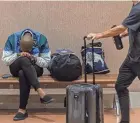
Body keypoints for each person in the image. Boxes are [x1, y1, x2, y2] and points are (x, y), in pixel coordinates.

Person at [86, 1, 140, 123]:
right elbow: (133, 26)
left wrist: (99, 35)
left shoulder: (139, 8)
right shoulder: (135, 6)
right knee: (120, 86)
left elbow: (121, 27)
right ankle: (124, 121)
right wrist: (123, 34)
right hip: (132, 58)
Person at [1, 28, 54, 121]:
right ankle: (40, 91)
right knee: (23, 59)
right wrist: (19, 55)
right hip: (16, 66)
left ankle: (22, 110)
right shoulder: (12, 38)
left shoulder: (41, 39)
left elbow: (46, 62)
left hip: (35, 67)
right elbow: (6, 60)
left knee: (23, 73)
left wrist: (33, 57)